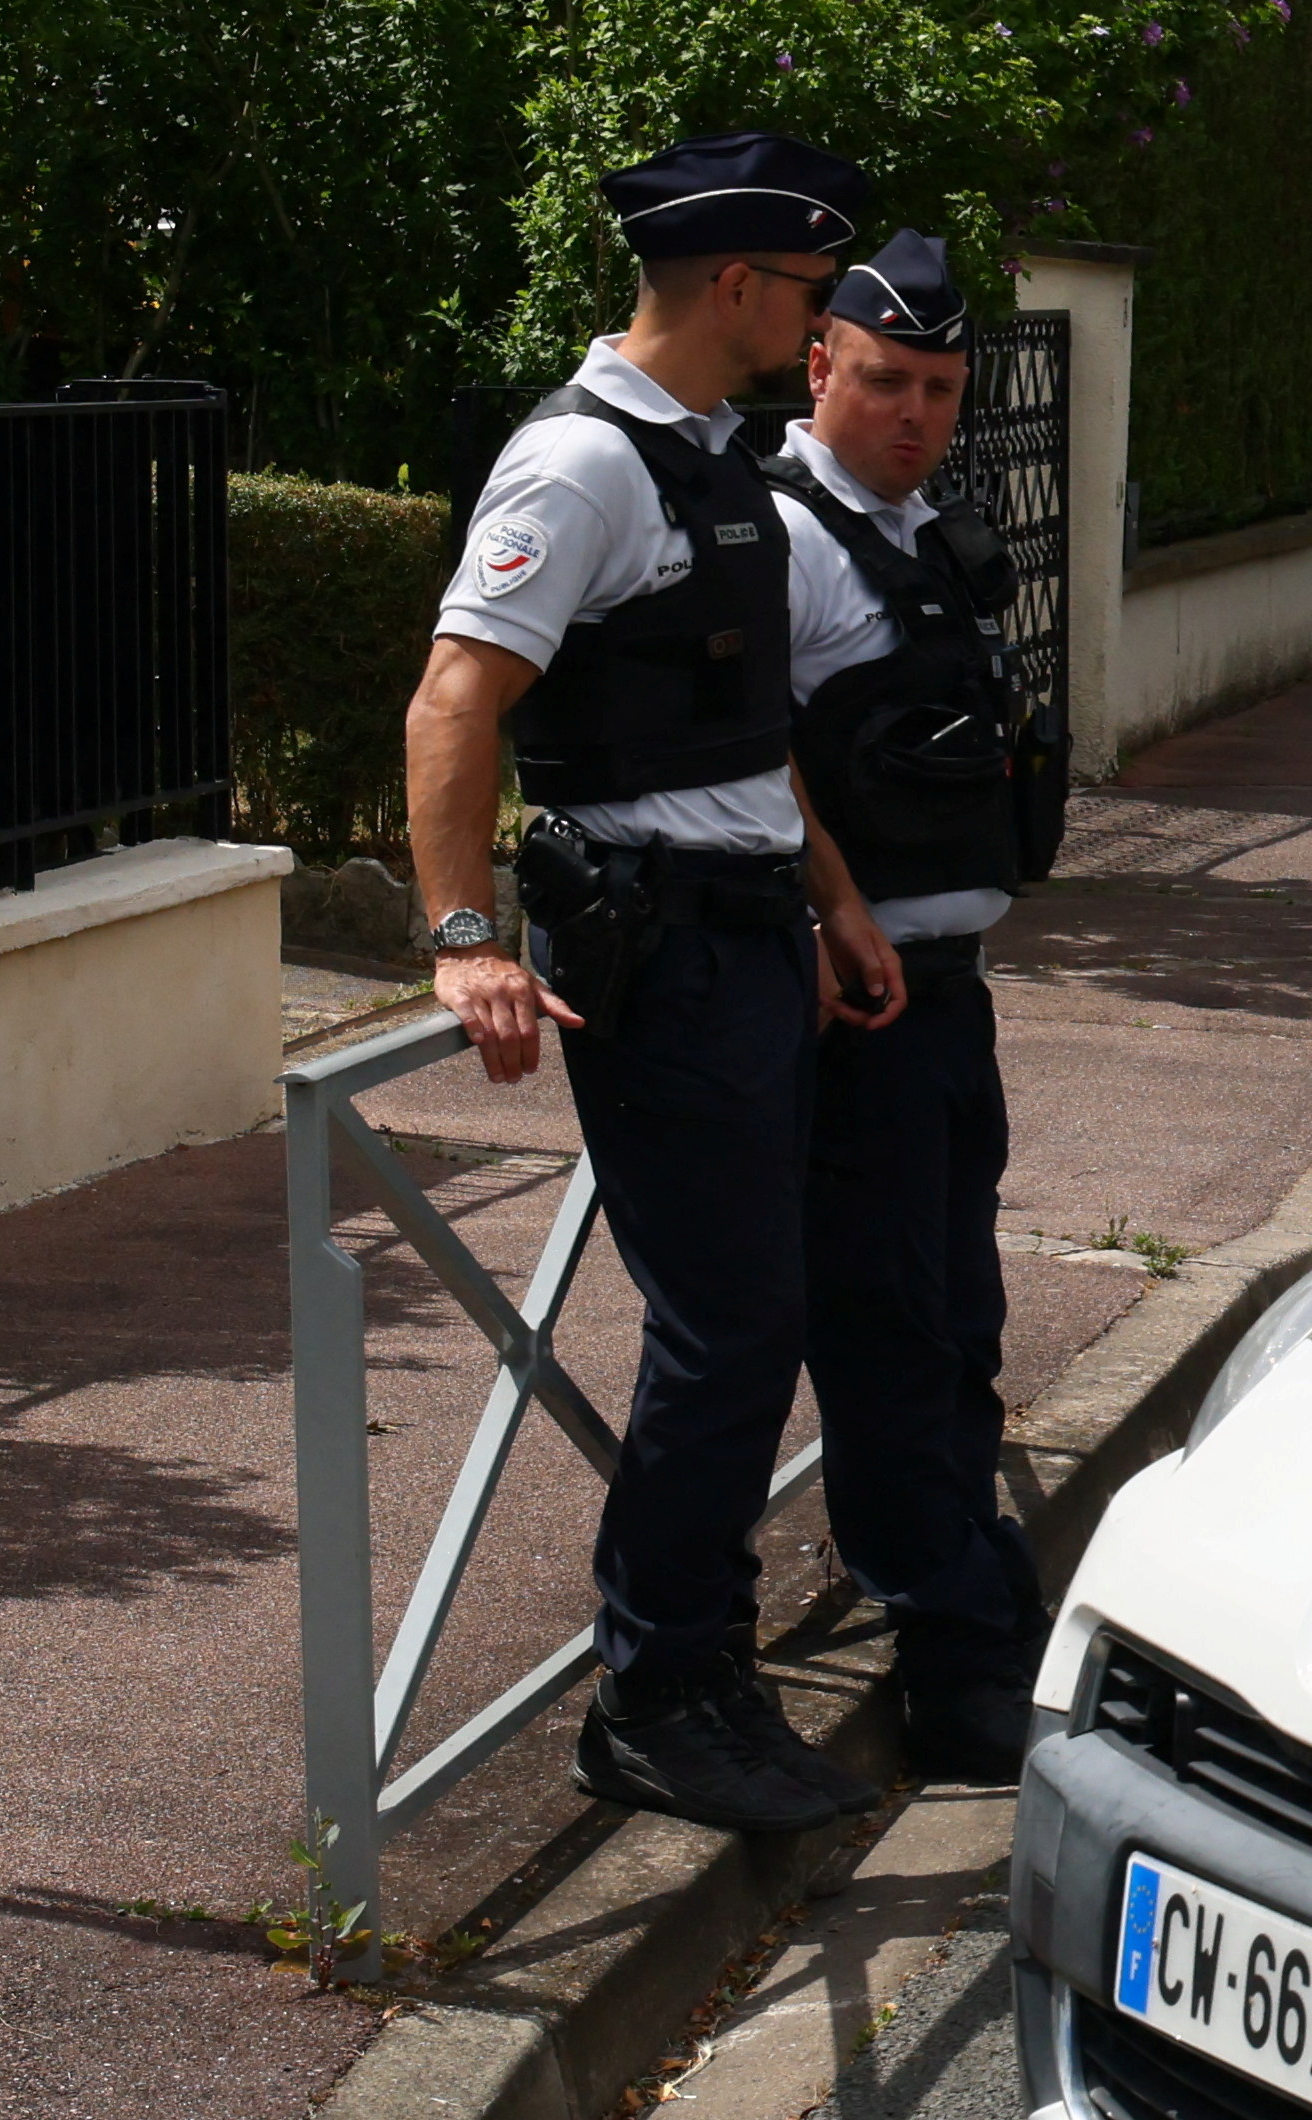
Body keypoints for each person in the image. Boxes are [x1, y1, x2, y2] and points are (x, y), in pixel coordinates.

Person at [406, 137, 901, 1841]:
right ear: (742, 287)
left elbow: (745, 737)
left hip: (754, 933)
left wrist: (830, 895)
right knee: (730, 1327)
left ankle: (702, 1667)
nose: (820, 321)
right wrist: (464, 937)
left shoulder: (710, 459)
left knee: (756, 1316)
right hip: (664, 954)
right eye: (811, 292)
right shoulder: (581, 468)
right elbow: (456, 701)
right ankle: (659, 1692)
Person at [768, 231, 1072, 1785]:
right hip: (859, 1011)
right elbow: (747, 766)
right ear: (820, 363)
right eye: (887, 379)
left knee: (959, 1328)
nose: (917, 415)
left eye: (943, 390)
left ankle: (971, 1598)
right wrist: (825, 916)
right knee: (889, 1336)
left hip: (951, 1003)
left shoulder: (928, 532)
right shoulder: (778, 540)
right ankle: (960, 1650)